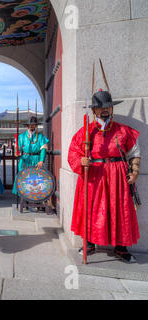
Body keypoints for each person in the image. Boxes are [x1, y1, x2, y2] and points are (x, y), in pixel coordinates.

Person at [68, 89, 141, 263]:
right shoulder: (86, 132)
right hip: (94, 177)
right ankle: (91, 243)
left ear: (112, 109)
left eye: (108, 106)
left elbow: (134, 152)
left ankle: (121, 248)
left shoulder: (123, 131)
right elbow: (73, 153)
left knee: (120, 211)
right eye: (100, 108)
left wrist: (135, 171)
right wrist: (81, 161)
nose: (104, 110)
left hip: (118, 177)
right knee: (92, 210)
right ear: (94, 111)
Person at [12, 116, 50, 197]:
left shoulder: (40, 137)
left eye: (34, 124)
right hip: (25, 159)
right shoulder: (21, 137)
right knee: (24, 178)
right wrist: (17, 153)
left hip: (36, 159)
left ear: (36, 126)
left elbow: (43, 149)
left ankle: (36, 199)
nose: (32, 126)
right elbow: (17, 148)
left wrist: (41, 160)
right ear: (27, 125)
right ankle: (24, 198)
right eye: (30, 124)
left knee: (36, 179)